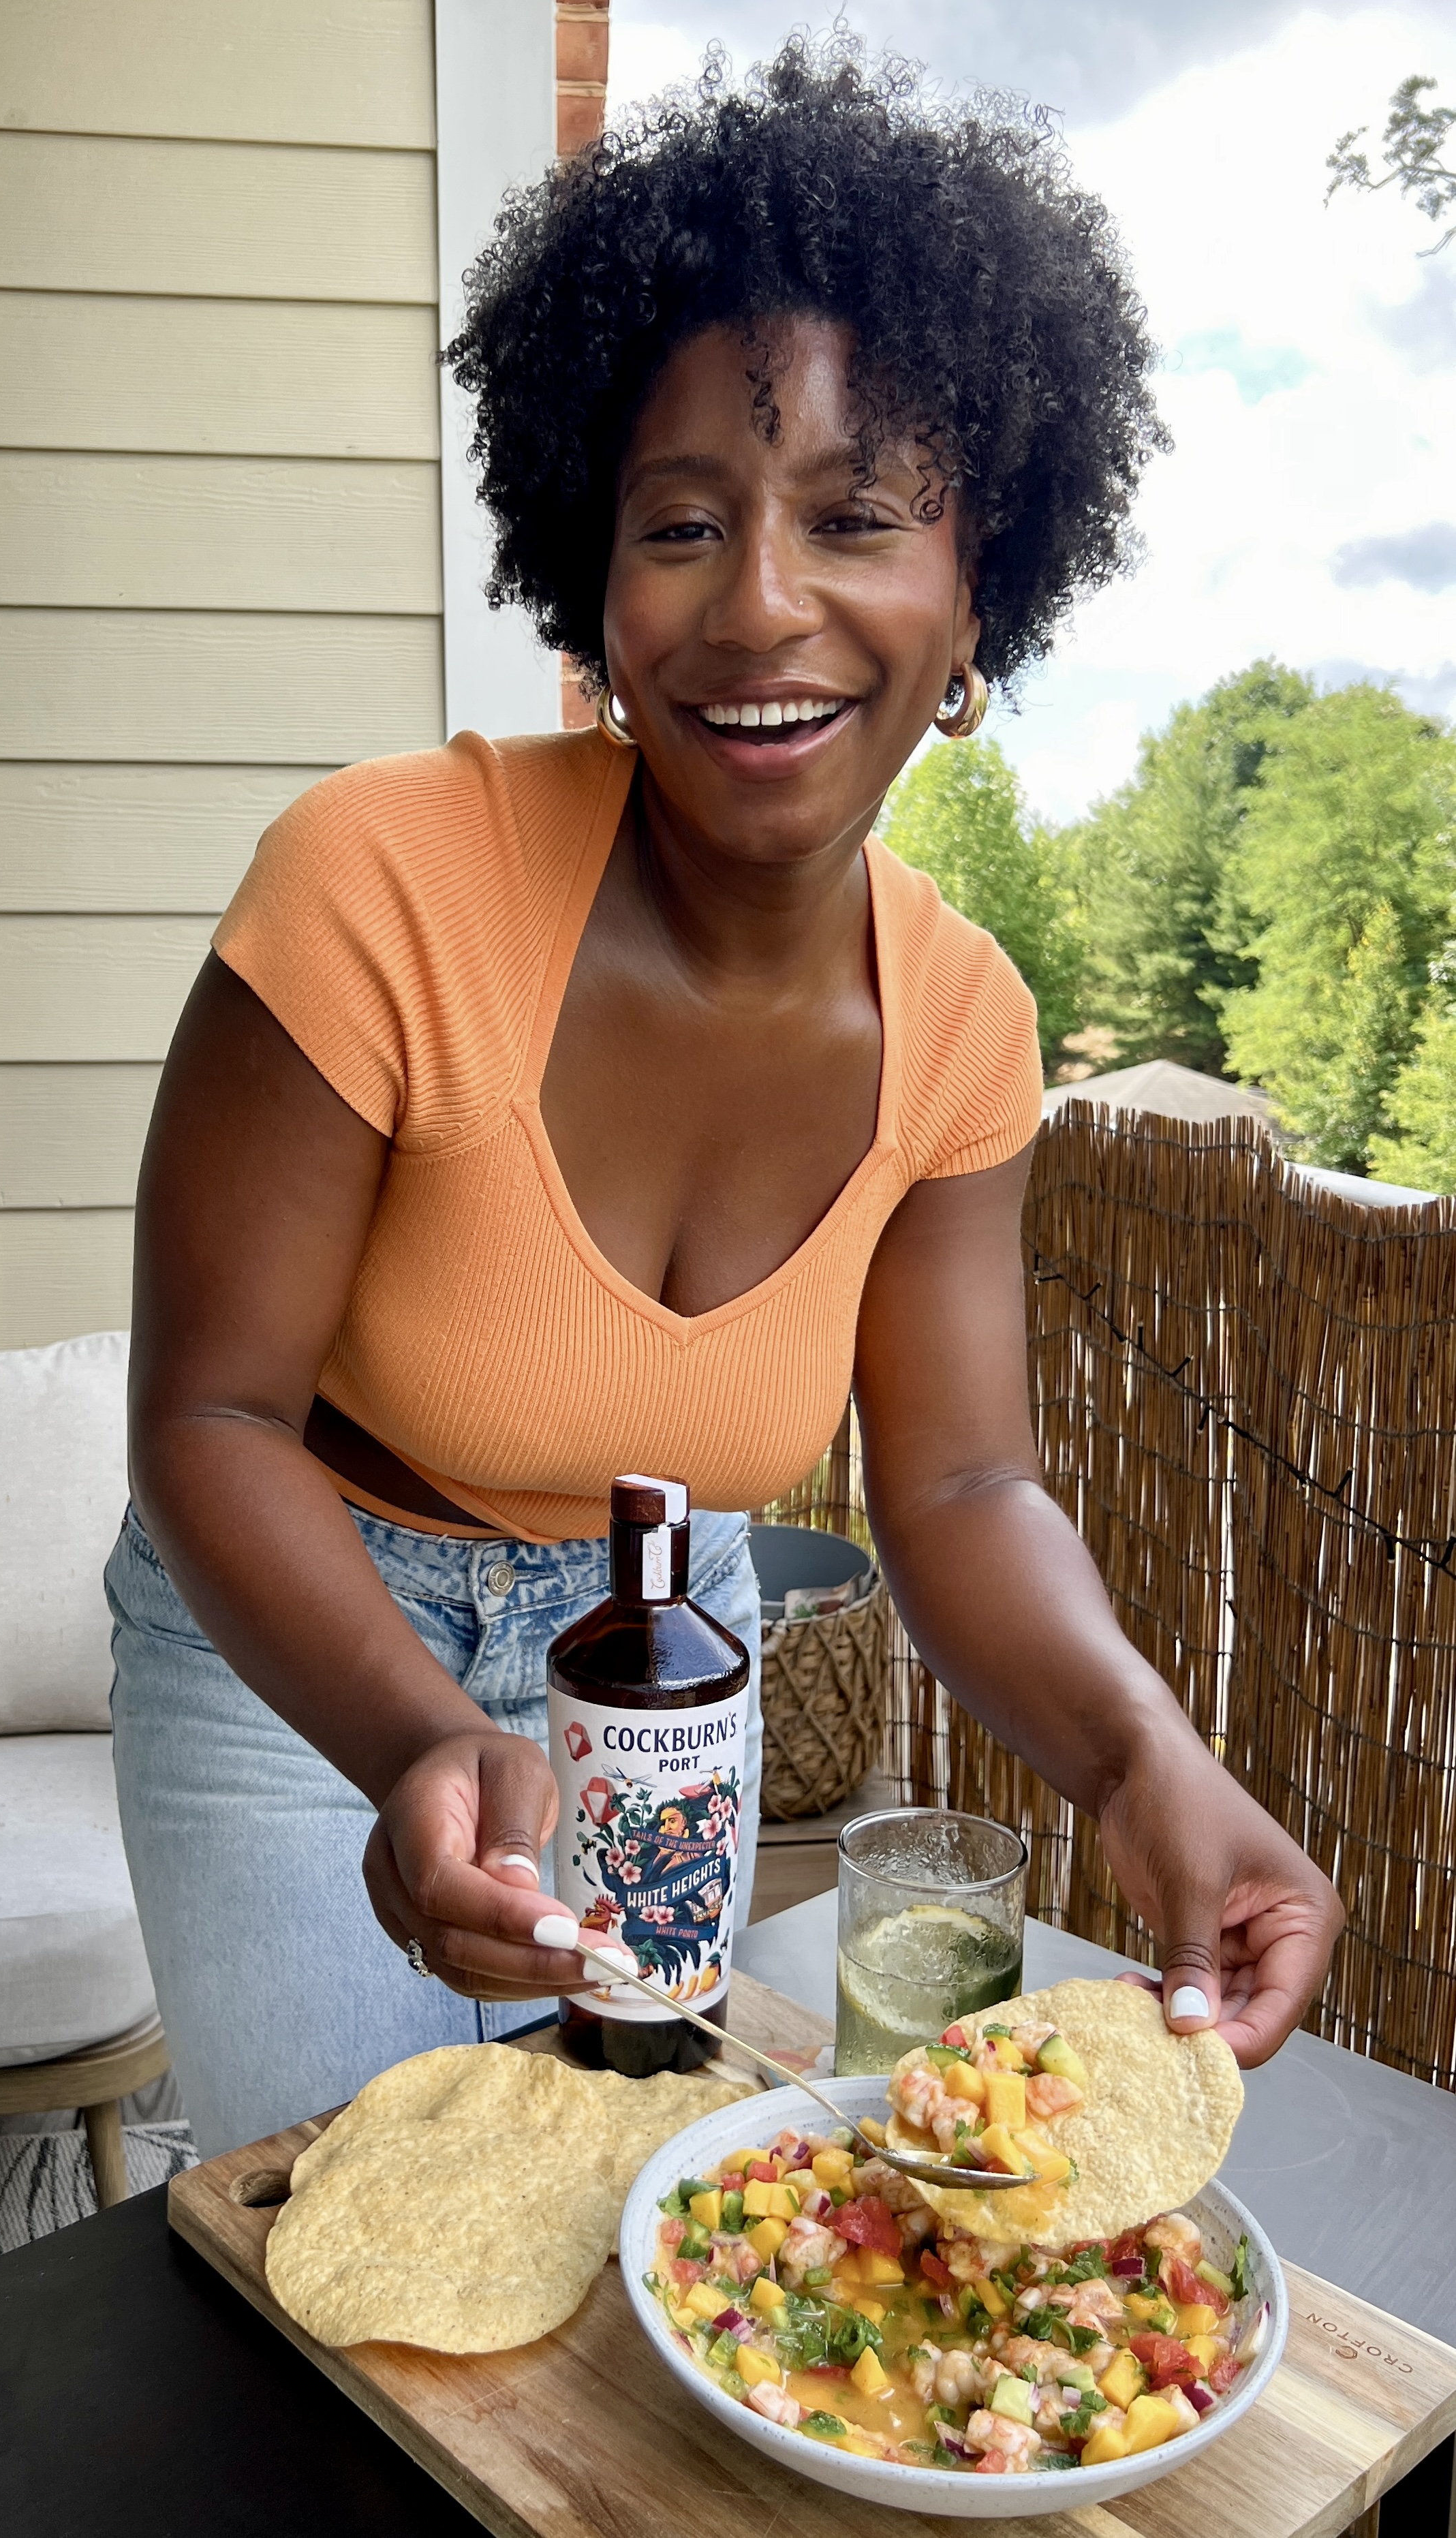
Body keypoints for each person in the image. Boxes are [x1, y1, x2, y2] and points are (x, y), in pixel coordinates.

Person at [108, 40, 1342, 2156]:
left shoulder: (965, 1024)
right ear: (595, 577)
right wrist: (415, 1738)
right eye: (682, 522)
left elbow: (958, 1490)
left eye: (856, 518)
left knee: (634, 2226)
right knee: (341, 2279)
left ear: (981, 597)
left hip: (681, 1675)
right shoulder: (381, 879)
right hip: (300, 1662)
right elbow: (213, 1415)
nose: (760, 600)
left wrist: (1143, 1755)